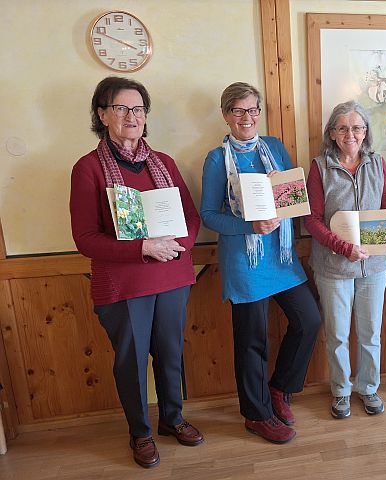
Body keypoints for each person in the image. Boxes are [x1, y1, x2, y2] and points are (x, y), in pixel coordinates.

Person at [70, 77, 203, 469]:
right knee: (131, 363)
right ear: (102, 114)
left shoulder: (165, 163)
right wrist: (143, 247)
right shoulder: (88, 169)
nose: (132, 116)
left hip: (173, 277)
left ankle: (172, 419)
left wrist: (181, 245)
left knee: (171, 354)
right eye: (122, 108)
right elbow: (85, 239)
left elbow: (191, 217)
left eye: (139, 109)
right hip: (124, 285)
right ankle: (140, 432)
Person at [200, 82, 321, 444]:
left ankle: (279, 388)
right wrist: (249, 225)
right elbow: (209, 215)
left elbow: (294, 198)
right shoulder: (217, 159)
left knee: (309, 320)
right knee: (252, 341)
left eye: (253, 109)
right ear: (226, 115)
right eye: (238, 110)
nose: (247, 117)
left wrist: (284, 194)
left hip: (281, 256)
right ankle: (256, 415)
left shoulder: (275, 147)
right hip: (245, 260)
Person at [305, 101, 386, 419]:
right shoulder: (319, 167)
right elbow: (311, 220)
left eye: (357, 127)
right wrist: (343, 247)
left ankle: (368, 388)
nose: (351, 134)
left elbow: (384, 206)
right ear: (332, 133)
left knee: (371, 333)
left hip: (373, 264)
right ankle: (341, 391)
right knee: (337, 334)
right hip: (334, 266)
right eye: (343, 128)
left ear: (366, 131)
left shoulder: (378, 163)